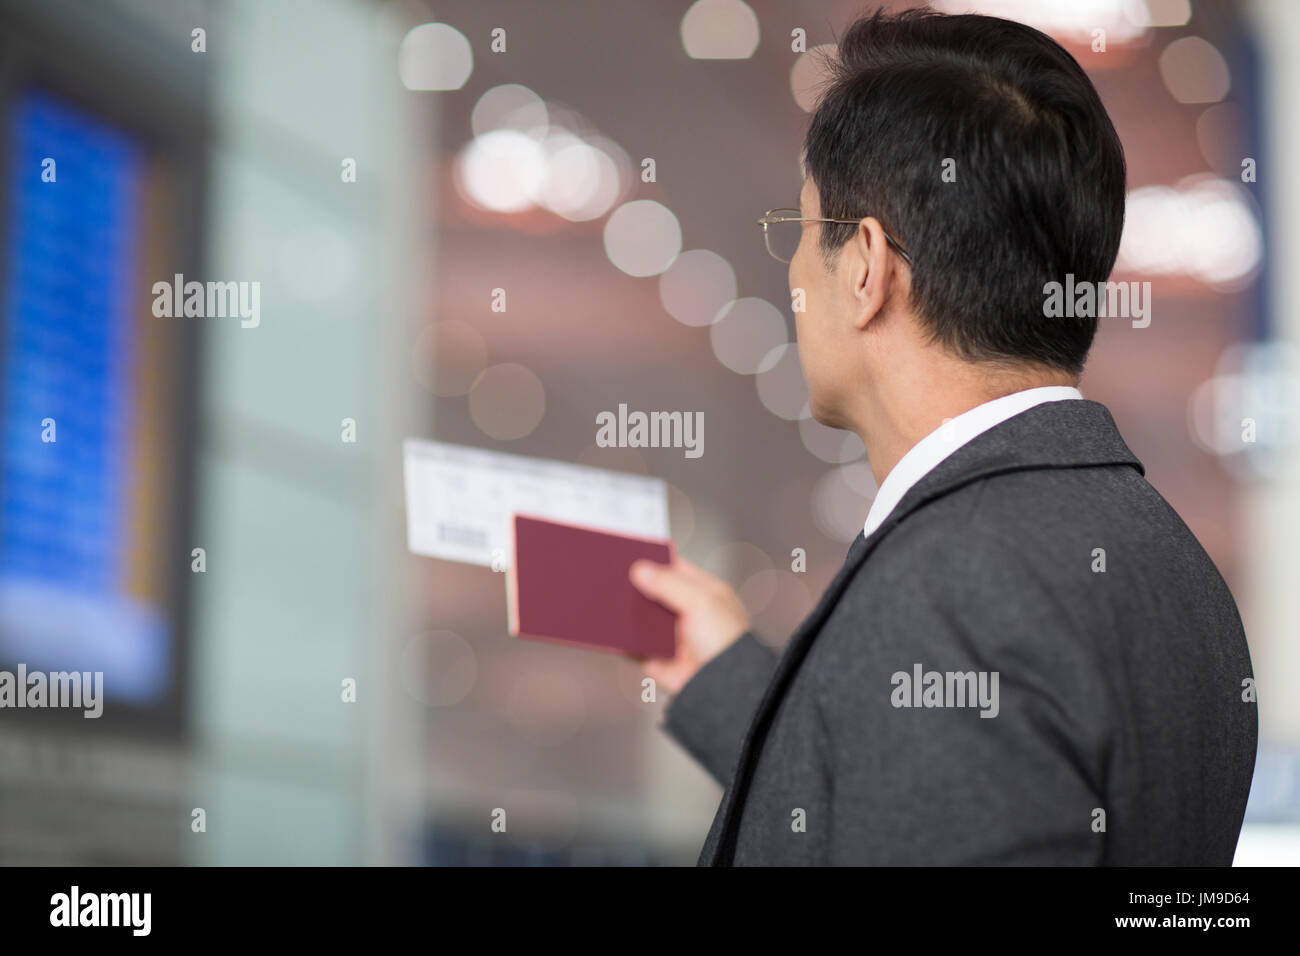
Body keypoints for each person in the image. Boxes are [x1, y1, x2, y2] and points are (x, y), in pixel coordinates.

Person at [629, 7, 1257, 866]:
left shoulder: (949, 593)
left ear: (866, 269)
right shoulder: (1162, 556)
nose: (791, 270)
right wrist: (732, 684)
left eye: (804, 230)